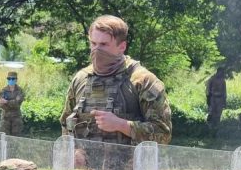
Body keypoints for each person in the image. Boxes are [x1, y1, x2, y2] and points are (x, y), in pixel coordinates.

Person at [60, 15, 172, 146]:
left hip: (130, 165)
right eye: (93, 43)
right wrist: (74, 153)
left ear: (122, 47)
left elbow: (164, 135)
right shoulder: (80, 79)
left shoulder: (144, 81)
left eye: (104, 44)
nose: (97, 50)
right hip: (84, 166)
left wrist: (121, 125)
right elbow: (65, 126)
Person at [0, 71, 25, 136]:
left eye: (13, 79)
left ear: (16, 80)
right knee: (5, 137)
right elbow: (1, 104)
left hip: (16, 117)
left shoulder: (20, 90)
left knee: (16, 137)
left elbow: (18, 104)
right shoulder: (3, 90)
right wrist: (13, 102)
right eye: (9, 78)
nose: (11, 80)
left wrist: (7, 101)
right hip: (5, 118)